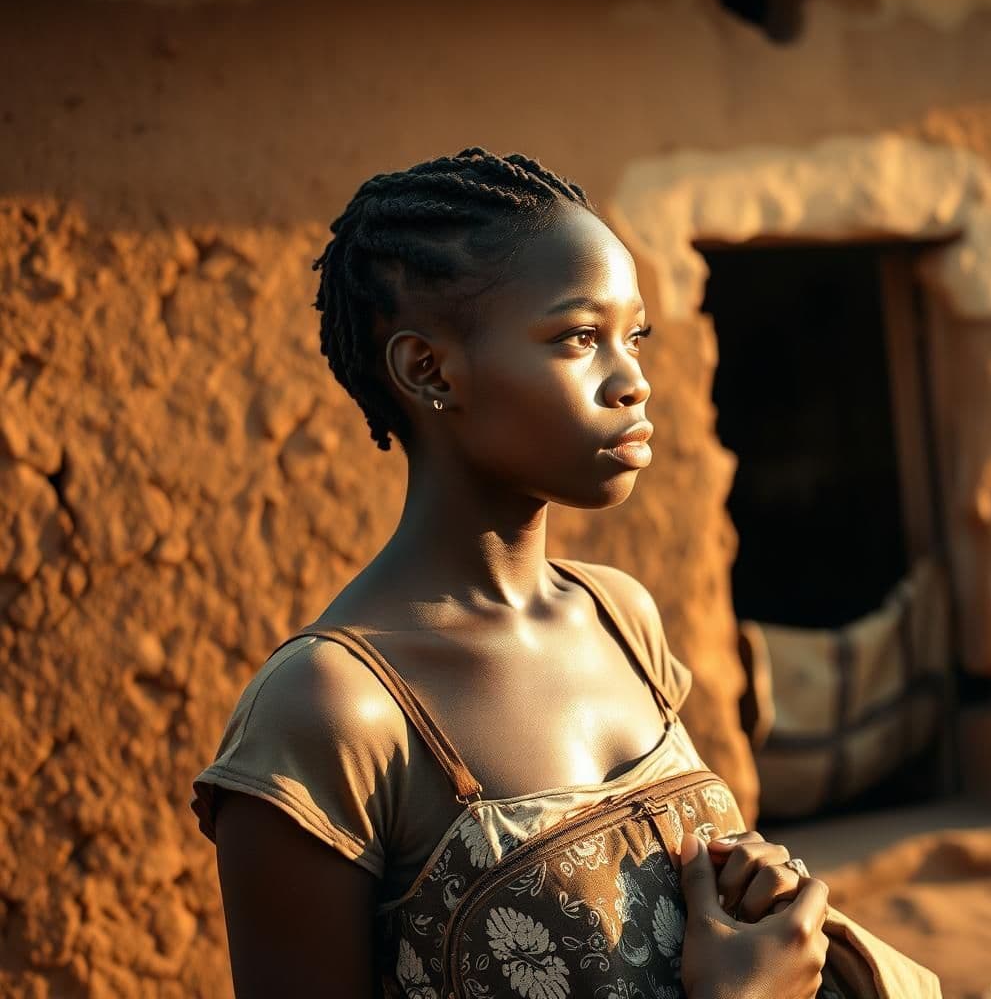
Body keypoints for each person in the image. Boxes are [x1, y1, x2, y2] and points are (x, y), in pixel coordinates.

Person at [192, 149, 833, 999]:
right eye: (578, 338)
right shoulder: (333, 712)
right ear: (429, 370)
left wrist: (750, 898)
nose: (633, 381)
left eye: (633, 336)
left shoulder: (619, 617)